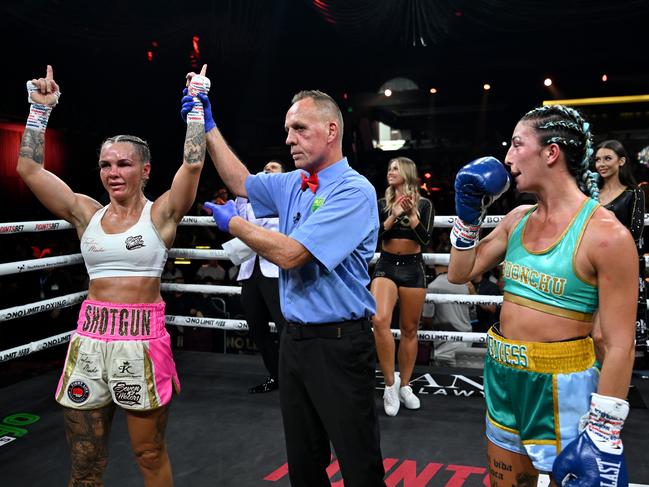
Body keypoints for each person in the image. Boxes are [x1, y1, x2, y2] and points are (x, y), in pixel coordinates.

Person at [183, 85, 385, 486]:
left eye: (299, 128)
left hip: (339, 344)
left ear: (331, 130)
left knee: (358, 462)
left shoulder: (353, 190)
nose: (288, 138)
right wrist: (209, 125)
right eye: (287, 129)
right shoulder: (294, 182)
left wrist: (236, 224)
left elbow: (292, 254)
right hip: (294, 341)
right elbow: (242, 182)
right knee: (304, 462)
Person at [17, 65, 208, 486]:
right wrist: (39, 111)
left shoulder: (160, 214)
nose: (113, 172)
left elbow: (192, 168)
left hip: (140, 342)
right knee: (85, 461)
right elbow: (30, 171)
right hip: (89, 342)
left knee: (149, 452)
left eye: (124, 164)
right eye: (106, 164)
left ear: (145, 171)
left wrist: (196, 107)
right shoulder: (87, 212)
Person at [447, 105, 637, 486]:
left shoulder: (607, 235)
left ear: (551, 153)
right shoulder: (517, 219)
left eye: (518, 145)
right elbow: (459, 272)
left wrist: (604, 432)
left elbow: (619, 343)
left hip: (562, 385)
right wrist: (467, 217)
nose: (507, 157)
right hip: (502, 374)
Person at [371, 157, 433, 416]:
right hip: (386, 264)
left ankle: (405, 385)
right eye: (388, 169)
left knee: (409, 329)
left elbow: (426, 239)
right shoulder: (382, 204)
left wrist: (411, 215)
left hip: (413, 267)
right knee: (379, 319)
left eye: (395, 168)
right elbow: (373, 238)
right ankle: (389, 384)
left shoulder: (424, 204)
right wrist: (393, 216)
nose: (390, 172)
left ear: (407, 172)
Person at [234, 159, 288, 393]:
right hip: (249, 268)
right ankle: (275, 375)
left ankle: (294, 378)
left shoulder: (287, 195)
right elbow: (236, 221)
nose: (267, 168)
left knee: (284, 326)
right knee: (256, 326)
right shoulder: (246, 197)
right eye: (265, 167)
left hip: (275, 268)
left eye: (274, 167)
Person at [594, 139, 645, 249]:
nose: (601, 164)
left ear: (621, 161)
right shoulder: (590, 192)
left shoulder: (634, 193)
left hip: (620, 255)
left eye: (607, 158)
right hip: (589, 257)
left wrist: (612, 221)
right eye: (597, 160)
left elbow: (635, 234)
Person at [421, 263, 471, 367]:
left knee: (445, 378)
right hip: (467, 338)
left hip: (445, 342)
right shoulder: (464, 285)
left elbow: (427, 319)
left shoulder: (432, 287)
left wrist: (425, 335)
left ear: (434, 266)